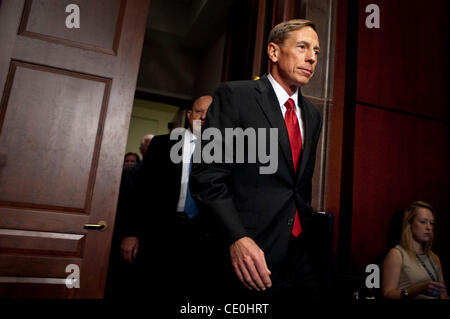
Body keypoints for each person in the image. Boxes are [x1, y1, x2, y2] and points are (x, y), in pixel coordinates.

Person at [190, 19, 323, 306]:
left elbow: (298, 185)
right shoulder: (234, 96)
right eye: (302, 47)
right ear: (274, 52)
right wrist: (236, 238)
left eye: (316, 52)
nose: (312, 57)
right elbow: (207, 177)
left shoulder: (313, 115)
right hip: (249, 253)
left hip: (300, 254)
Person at [130, 96, 213, 301]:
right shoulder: (161, 144)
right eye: (199, 111)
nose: (203, 117)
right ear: (189, 115)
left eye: (209, 113)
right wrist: (131, 233)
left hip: (202, 237)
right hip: (160, 232)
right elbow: (141, 191)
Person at [382, 201, 448, 299]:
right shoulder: (397, 254)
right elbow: (387, 294)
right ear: (410, 223)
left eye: (431, 223)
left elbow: (443, 294)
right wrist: (417, 290)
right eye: (423, 222)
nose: (429, 227)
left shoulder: (434, 258)